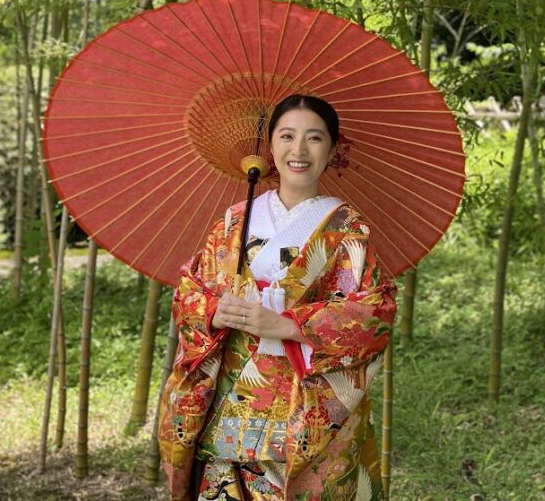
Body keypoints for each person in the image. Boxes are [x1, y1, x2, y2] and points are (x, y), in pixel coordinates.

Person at [158, 94, 397, 501]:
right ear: (270, 147)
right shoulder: (236, 219)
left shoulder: (347, 228)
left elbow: (374, 315)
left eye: (314, 138)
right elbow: (189, 294)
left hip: (299, 413)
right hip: (226, 405)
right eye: (287, 136)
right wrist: (214, 311)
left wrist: (287, 325)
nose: (298, 150)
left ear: (332, 149)